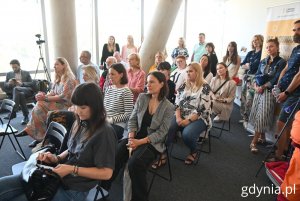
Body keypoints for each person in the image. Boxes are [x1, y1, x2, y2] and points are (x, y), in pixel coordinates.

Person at [0, 82, 117, 201]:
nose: (78, 111)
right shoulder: (80, 122)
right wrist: (57, 158)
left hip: (75, 188)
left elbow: (106, 173)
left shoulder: (104, 132)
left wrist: (71, 169)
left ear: (96, 106)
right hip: (60, 176)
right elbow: (73, 148)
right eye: (76, 106)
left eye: (83, 108)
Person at [102, 71, 174, 201]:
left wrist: (139, 142)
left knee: (135, 164)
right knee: (117, 155)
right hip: (135, 137)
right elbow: (132, 119)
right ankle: (102, 190)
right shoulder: (142, 97)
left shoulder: (168, 107)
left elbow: (162, 132)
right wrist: (130, 137)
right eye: (147, 82)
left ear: (162, 84)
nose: (148, 85)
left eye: (152, 82)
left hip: (152, 142)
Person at [17, 57, 77, 148]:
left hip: (66, 105)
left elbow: (63, 97)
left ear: (64, 65)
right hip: (58, 103)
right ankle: (41, 137)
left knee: (40, 105)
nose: (54, 66)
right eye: (54, 65)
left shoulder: (69, 79)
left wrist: (45, 98)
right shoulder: (57, 78)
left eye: (57, 64)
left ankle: (37, 136)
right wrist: (43, 95)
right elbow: (52, 92)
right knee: (39, 106)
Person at [167, 62, 213, 165]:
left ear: (198, 72)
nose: (188, 73)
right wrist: (178, 118)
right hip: (181, 114)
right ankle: (163, 152)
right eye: (187, 71)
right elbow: (177, 103)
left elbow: (202, 109)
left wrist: (188, 120)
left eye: (190, 71)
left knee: (187, 135)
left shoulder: (205, 87)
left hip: (199, 117)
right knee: (167, 128)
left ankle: (193, 151)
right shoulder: (184, 85)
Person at [249, 37, 286, 153]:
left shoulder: (281, 62)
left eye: (271, 46)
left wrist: (263, 87)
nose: (269, 49)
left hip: (269, 92)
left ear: (277, 47)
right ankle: (262, 137)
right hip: (258, 90)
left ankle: (253, 142)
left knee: (263, 115)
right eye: (267, 47)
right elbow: (257, 74)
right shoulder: (264, 60)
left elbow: (276, 78)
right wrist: (256, 86)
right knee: (256, 114)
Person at [271, 20, 300, 161]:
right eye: (294, 30)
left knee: (282, 123)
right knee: (287, 124)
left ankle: (278, 156)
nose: (295, 32)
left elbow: (299, 76)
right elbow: (286, 68)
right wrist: (278, 86)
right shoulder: (296, 49)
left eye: (298, 29)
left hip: (295, 94)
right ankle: (285, 151)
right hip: (285, 91)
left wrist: (286, 93)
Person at [104, 63, 133, 140]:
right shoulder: (108, 88)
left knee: (100, 135)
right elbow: (104, 108)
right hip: (105, 121)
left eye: (113, 74)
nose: (110, 77)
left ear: (121, 75)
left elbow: (128, 114)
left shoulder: (126, 91)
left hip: (117, 125)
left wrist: (110, 120)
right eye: (109, 74)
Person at [240, 35, 264, 128]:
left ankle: (247, 118)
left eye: (257, 40)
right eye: (253, 40)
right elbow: (242, 64)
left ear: (261, 41)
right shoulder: (250, 52)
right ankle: (243, 116)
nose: (255, 42)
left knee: (249, 99)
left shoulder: (263, 53)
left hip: (254, 78)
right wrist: (246, 65)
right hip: (246, 77)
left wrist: (248, 65)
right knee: (243, 97)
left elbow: (255, 67)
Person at [3, 59, 34, 124]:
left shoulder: (26, 73)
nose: (14, 69)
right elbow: (5, 86)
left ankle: (13, 112)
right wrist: (9, 83)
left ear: (19, 66)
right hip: (17, 94)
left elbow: (31, 84)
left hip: (26, 90)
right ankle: (26, 117)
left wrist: (21, 84)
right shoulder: (9, 74)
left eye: (15, 67)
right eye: (13, 67)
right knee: (20, 94)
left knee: (16, 89)